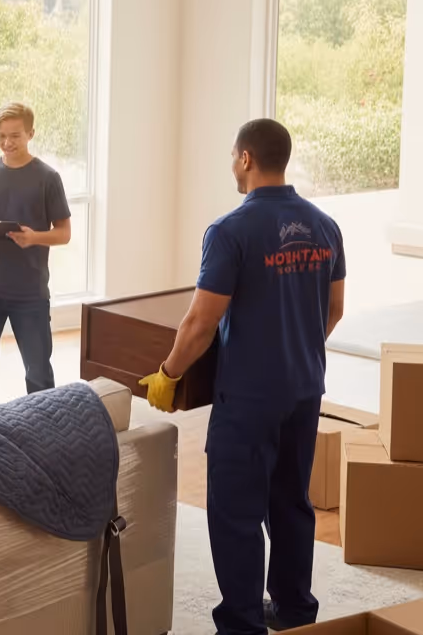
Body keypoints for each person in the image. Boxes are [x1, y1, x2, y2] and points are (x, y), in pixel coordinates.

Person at [138, 118, 345, 635]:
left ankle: (241, 624)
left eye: (234, 156)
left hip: (249, 397)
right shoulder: (325, 226)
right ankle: (296, 610)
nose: (232, 165)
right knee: (291, 501)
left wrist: (169, 373)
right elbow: (334, 309)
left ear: (247, 159)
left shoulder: (230, 231)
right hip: (304, 389)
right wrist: (293, 344)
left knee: (235, 512)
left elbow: (201, 321)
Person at [0, 102, 71, 410]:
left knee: (37, 372)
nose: (8, 143)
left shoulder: (48, 178)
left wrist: (35, 237)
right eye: (1, 136)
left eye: (15, 136)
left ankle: (43, 427)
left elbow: (64, 233)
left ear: (30, 134)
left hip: (30, 292)